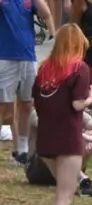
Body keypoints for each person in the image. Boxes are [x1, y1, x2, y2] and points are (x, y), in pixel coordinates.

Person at [33, 23, 92, 205]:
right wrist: (90, 96)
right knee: (64, 196)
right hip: (68, 138)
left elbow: (36, 102)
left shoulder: (45, 68)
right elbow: (78, 105)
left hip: (46, 138)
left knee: (63, 193)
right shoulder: (79, 68)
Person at [2, 0, 55, 164]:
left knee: (26, 104)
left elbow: (46, 14)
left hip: (28, 57)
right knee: (4, 109)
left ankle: (23, 151)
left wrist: (53, 34)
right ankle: (19, 148)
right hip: (4, 58)